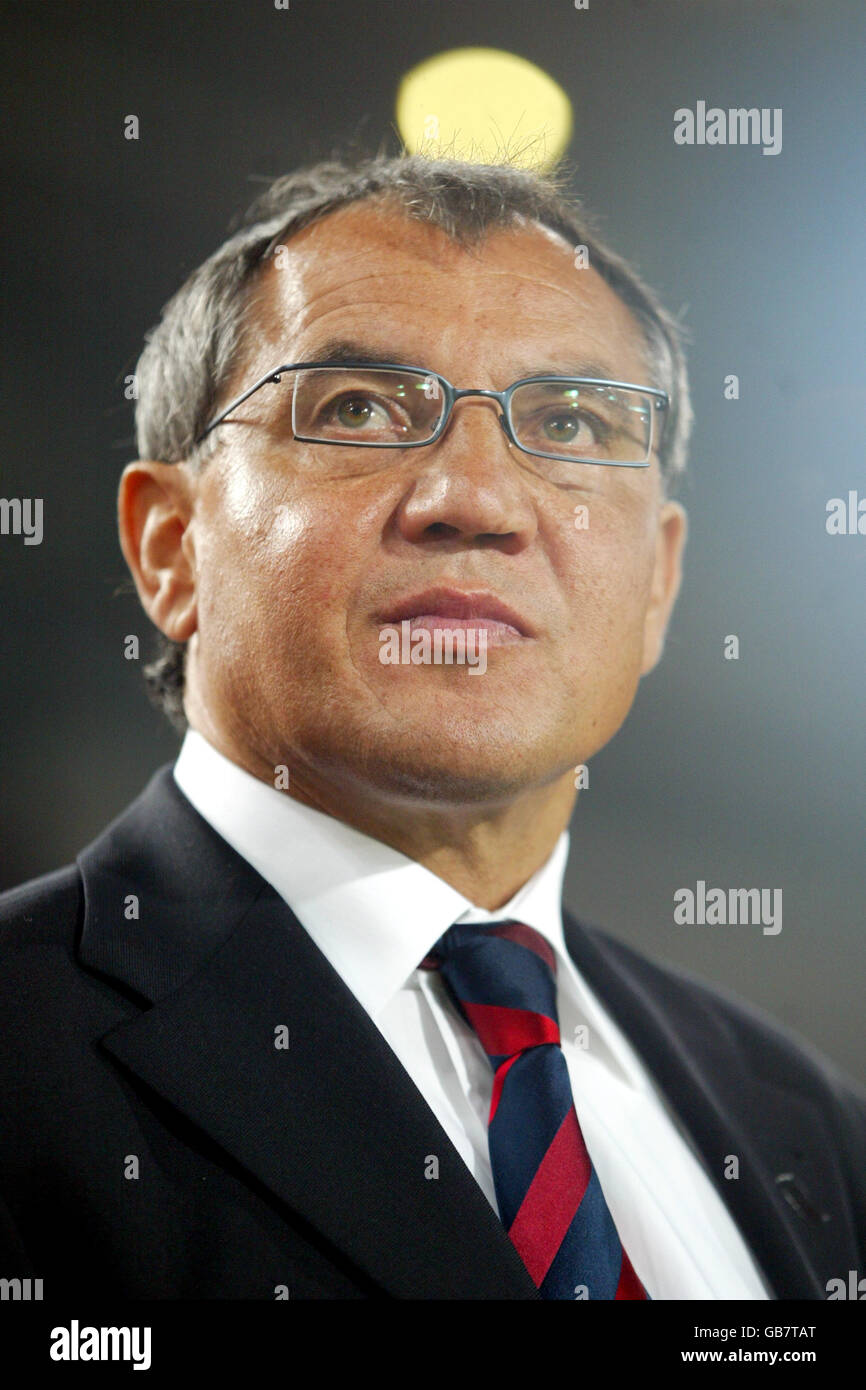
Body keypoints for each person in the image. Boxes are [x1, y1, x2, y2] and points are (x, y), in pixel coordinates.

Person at [0, 153, 863, 1302]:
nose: (475, 498)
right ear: (171, 545)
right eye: (358, 408)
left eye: (567, 418)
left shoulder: (805, 1118)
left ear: (655, 586)